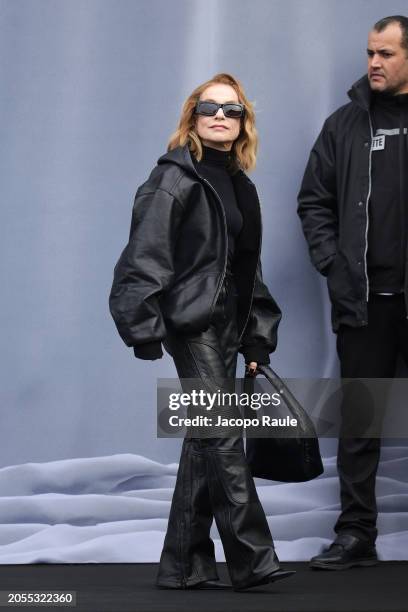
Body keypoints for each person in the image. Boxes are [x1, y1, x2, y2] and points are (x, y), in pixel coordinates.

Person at [109, 73, 294, 590]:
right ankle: (254, 559)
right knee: (223, 435)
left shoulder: (239, 184)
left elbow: (246, 268)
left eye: (231, 110)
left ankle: (183, 565)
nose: (220, 116)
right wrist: (142, 327)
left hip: (231, 326)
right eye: (209, 107)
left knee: (202, 441)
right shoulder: (173, 178)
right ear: (193, 117)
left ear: (242, 123)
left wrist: (258, 333)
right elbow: (142, 258)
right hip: (192, 326)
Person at [298, 15, 408, 570]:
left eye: (386, 53)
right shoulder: (344, 125)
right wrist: (334, 265)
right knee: (362, 423)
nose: (373, 63)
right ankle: (356, 534)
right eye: (370, 52)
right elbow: (313, 201)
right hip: (366, 305)